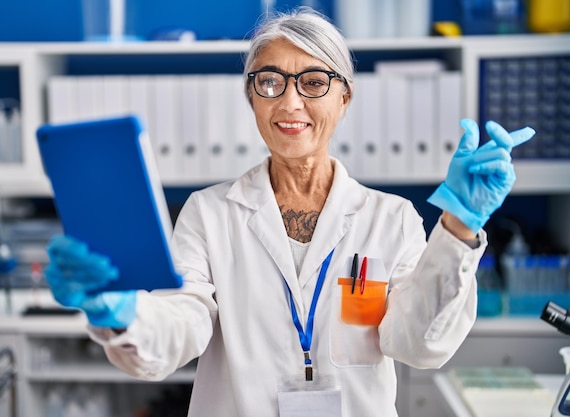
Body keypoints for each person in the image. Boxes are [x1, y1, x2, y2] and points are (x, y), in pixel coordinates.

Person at [44, 7, 535, 417]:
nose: (290, 101)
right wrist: (124, 311)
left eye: (314, 81)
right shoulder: (209, 214)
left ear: (344, 98)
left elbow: (419, 344)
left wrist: (459, 227)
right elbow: (183, 324)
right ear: (251, 98)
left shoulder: (391, 219)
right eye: (270, 82)